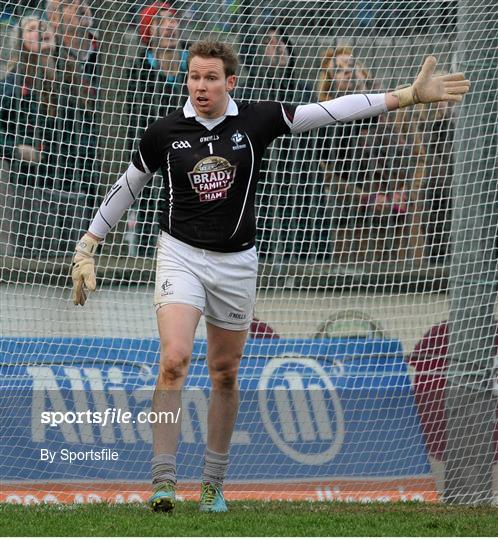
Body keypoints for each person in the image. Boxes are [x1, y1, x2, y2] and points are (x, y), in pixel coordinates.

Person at [70, 40, 470, 512]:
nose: (201, 86)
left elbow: (329, 110)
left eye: (211, 78)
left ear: (229, 82)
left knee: (224, 372)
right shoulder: (164, 132)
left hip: (236, 263)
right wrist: (88, 245)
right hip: (179, 256)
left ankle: (213, 485)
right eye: (194, 77)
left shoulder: (255, 121)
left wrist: (405, 96)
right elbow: (128, 186)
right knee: (174, 360)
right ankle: (163, 481)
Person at [127, 1, 188, 256]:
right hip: (156, 157)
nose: (168, 26)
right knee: (149, 211)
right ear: (148, 33)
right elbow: (134, 120)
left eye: (171, 20)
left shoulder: (193, 66)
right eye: (160, 22)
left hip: (189, 154)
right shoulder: (139, 71)